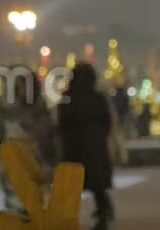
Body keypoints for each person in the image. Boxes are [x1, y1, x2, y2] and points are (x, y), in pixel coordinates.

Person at [0, 70, 56, 213]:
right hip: (12, 161)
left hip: (36, 162)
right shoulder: (2, 108)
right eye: (22, 85)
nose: (25, 89)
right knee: (16, 203)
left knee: (35, 204)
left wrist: (48, 162)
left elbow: (48, 136)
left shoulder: (40, 108)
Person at [58, 63, 114, 230]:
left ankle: (67, 218)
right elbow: (107, 122)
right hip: (96, 147)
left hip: (74, 147)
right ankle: (103, 213)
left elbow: (62, 123)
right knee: (97, 185)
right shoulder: (98, 98)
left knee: (73, 186)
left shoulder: (68, 98)